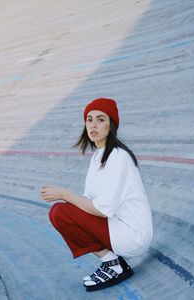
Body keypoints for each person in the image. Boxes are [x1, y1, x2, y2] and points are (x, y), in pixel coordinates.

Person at [40, 98, 153, 292]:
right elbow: (87, 204)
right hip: (115, 227)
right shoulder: (97, 158)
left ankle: (114, 265)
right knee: (59, 212)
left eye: (101, 120)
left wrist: (63, 194)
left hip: (131, 235)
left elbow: (101, 209)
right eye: (89, 120)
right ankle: (112, 263)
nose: (93, 125)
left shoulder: (118, 157)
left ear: (112, 125)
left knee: (61, 211)